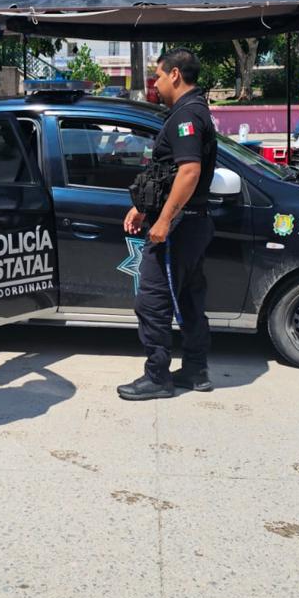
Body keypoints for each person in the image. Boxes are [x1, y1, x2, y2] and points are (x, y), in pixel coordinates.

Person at [118, 48, 217, 401]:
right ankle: (195, 369)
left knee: (153, 301)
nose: (155, 83)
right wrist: (143, 208)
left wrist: (163, 219)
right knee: (190, 298)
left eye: (158, 75)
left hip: (178, 227)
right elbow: (167, 173)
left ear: (175, 74)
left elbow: (189, 172)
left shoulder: (187, 117)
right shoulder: (191, 112)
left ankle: (158, 376)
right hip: (191, 223)